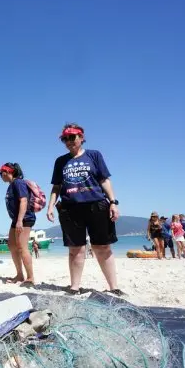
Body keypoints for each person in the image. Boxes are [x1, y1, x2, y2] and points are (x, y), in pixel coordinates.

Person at [46, 123, 124, 296]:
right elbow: (57, 186)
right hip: (70, 208)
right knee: (75, 249)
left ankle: (113, 287)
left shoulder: (94, 155)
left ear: (81, 137)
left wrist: (113, 202)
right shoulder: (60, 161)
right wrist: (50, 206)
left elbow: (104, 180)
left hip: (96, 205)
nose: (69, 141)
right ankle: (74, 287)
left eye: (72, 137)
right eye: (65, 138)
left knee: (102, 247)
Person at [0, 162, 36, 285]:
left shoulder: (18, 183)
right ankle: (20, 275)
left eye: (2, 172)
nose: (0, 175)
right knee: (12, 245)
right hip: (16, 219)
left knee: (21, 247)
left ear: (9, 172)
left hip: (24, 219)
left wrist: (20, 220)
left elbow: (23, 201)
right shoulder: (11, 185)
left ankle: (30, 278)